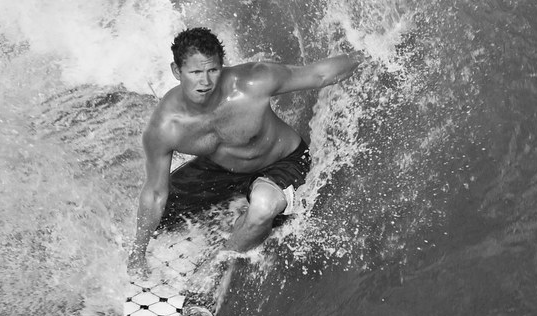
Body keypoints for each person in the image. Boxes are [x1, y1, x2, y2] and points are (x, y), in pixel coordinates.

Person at [128, 27, 363, 277]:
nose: (205, 82)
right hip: (221, 169)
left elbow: (319, 75)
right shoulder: (165, 127)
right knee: (158, 216)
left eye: (213, 70)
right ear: (177, 71)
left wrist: (366, 55)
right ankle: (240, 211)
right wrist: (137, 253)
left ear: (223, 65)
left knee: (263, 207)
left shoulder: (253, 82)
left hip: (282, 162)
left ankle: (215, 266)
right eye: (195, 72)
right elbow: (154, 193)